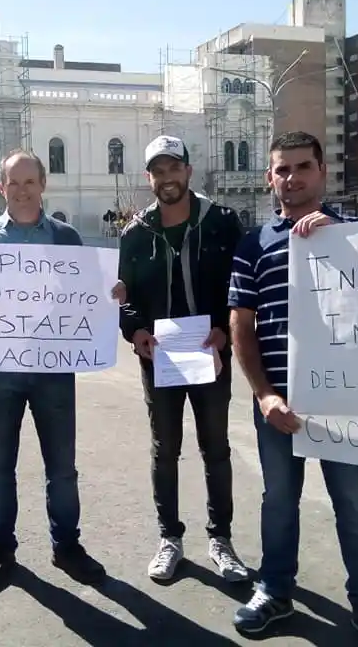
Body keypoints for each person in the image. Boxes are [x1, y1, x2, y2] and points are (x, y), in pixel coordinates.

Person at [0, 149, 122, 595]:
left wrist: (110, 291)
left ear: (43, 185)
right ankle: (0, 549)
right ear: (1, 188)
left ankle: (67, 546)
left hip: (54, 372)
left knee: (62, 469)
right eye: (13, 183)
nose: (21, 191)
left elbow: (89, 293)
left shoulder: (66, 237)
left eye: (29, 182)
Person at [228, 131, 358, 641]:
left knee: (353, 505)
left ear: (322, 172)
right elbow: (240, 325)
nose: (291, 177)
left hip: (343, 403)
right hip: (278, 403)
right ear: (269, 178)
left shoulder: (356, 235)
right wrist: (263, 393)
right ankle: (275, 592)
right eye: (282, 169)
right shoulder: (253, 244)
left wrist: (341, 243)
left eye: (302, 167)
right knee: (278, 500)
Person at [117, 135, 249, 583]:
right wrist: (135, 332)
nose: (167, 177)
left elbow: (240, 289)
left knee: (215, 448)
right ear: (148, 178)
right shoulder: (135, 234)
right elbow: (125, 297)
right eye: (158, 170)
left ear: (189, 172)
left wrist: (223, 330)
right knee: (165, 451)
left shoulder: (223, 224)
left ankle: (221, 539)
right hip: (161, 360)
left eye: (174, 168)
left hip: (210, 354)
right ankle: (169, 538)